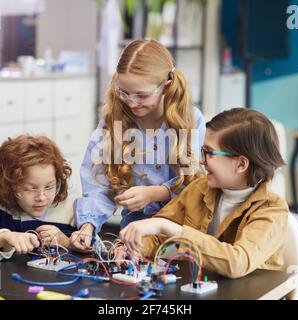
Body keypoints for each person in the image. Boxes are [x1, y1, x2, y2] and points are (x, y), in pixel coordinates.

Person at [118, 108, 289, 279]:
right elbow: (157, 238)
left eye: (209, 153)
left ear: (241, 164)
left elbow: (237, 262)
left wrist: (165, 225)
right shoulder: (199, 188)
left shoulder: (272, 209)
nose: (201, 160)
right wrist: (130, 248)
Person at [70, 39, 206, 252]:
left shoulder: (190, 120)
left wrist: (155, 193)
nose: (132, 102)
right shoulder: (112, 121)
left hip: (181, 231)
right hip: (134, 233)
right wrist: (87, 227)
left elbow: (195, 184)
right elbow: (99, 184)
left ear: (166, 86)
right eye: (124, 92)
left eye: (142, 95)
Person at [0, 135, 75, 259]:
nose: (41, 197)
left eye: (49, 187)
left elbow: (93, 248)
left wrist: (66, 242)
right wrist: (5, 237)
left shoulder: (67, 208)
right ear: (10, 186)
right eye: (31, 188)